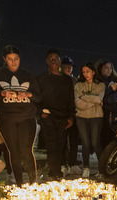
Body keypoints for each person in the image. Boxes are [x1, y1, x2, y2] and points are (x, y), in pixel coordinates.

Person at [0, 45, 42, 185]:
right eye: (10, 59)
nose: (13, 62)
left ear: (19, 58)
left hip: (27, 117)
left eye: (16, 59)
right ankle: (19, 184)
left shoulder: (28, 76)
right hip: (6, 118)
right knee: (13, 151)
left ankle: (33, 182)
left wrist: (28, 94)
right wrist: (2, 93)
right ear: (5, 59)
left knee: (26, 150)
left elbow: (39, 97)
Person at [36, 48, 75, 180]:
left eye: (56, 58)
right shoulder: (41, 78)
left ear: (60, 62)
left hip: (63, 117)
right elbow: (36, 97)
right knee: (51, 144)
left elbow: (71, 99)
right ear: (47, 61)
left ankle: (54, 170)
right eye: (51, 58)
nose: (53, 60)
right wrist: (40, 113)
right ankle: (55, 172)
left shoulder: (67, 80)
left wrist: (71, 117)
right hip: (48, 116)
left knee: (61, 145)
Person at [74, 62, 106, 178]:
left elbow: (99, 99)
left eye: (88, 71)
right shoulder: (78, 85)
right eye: (83, 72)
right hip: (81, 117)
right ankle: (86, 167)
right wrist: (92, 103)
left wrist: (84, 98)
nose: (85, 74)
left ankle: (102, 168)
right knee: (85, 143)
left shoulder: (100, 85)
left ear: (93, 72)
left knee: (95, 143)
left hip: (96, 117)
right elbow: (77, 102)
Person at [97, 59, 117, 149]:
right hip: (104, 113)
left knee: (114, 136)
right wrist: (110, 89)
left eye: (110, 68)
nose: (108, 70)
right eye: (106, 68)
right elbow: (99, 95)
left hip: (115, 112)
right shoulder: (98, 81)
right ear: (100, 69)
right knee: (104, 136)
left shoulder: (114, 80)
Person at [60, 55, 81, 174]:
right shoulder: (58, 79)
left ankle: (73, 164)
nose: (69, 69)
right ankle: (63, 164)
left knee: (73, 141)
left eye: (71, 67)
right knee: (62, 141)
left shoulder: (74, 81)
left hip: (74, 113)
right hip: (62, 114)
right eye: (66, 66)